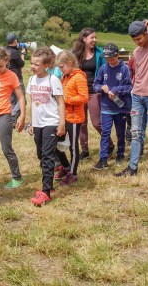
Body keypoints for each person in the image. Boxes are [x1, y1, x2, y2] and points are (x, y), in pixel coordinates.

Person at [115, 20, 148, 177]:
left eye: (139, 39)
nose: (137, 42)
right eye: (134, 40)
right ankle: (132, 167)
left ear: (146, 34)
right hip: (137, 96)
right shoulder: (137, 52)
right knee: (136, 132)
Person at [26, 47, 65, 206]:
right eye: (32, 63)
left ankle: (46, 191)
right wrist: (31, 122)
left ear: (46, 65)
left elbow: (60, 102)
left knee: (48, 155)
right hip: (38, 123)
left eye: (36, 64)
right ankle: (49, 183)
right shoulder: (31, 80)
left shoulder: (53, 80)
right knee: (41, 155)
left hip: (51, 122)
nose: (33, 67)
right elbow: (32, 103)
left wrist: (61, 123)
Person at [0, 46, 26, 189]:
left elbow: (21, 97)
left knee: (6, 149)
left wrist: (22, 116)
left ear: (7, 61)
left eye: (0, 66)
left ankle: (17, 177)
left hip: (4, 117)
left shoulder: (12, 76)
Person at [72, 28, 114, 160]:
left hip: (94, 92)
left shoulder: (99, 53)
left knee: (97, 123)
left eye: (95, 37)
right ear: (84, 39)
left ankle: (110, 144)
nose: (94, 40)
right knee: (81, 123)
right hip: (79, 92)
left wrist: (106, 86)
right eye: (92, 37)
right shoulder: (75, 53)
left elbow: (106, 71)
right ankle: (84, 150)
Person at [92, 43, 132, 169]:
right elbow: (95, 84)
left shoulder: (124, 68)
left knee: (120, 133)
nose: (110, 61)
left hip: (120, 107)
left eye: (112, 58)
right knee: (105, 133)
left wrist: (116, 90)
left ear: (118, 55)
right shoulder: (103, 68)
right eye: (107, 59)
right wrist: (101, 88)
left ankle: (120, 154)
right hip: (106, 107)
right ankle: (103, 159)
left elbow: (129, 86)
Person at [54, 50, 88, 185]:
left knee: (73, 147)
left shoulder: (79, 77)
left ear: (71, 63)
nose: (60, 70)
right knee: (57, 144)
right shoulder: (65, 77)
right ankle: (66, 166)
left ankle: (73, 174)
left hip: (74, 118)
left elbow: (83, 97)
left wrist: (66, 100)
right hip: (63, 116)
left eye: (62, 67)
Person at [5, 33, 26, 124]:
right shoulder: (14, 52)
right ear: (15, 41)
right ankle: (13, 118)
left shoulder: (5, 50)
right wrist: (23, 54)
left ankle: (10, 121)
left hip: (7, 77)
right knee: (23, 100)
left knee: (13, 100)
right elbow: (21, 64)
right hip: (16, 78)